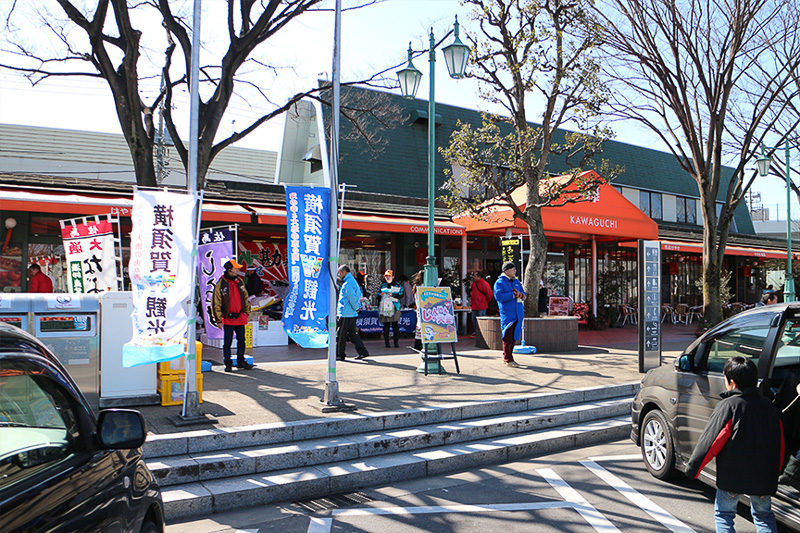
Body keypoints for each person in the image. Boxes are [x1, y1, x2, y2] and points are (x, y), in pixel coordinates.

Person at [685, 356, 784, 533]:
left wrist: (693, 468)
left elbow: (711, 441)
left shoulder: (729, 405)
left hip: (732, 477)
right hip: (763, 476)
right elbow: (780, 442)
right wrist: (776, 470)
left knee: (724, 514)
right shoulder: (769, 406)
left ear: (732, 383)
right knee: (764, 516)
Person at [212, 259, 254, 372]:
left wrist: (247, 312)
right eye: (236, 268)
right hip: (228, 318)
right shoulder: (221, 283)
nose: (238, 270)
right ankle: (228, 364)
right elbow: (216, 302)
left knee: (242, 341)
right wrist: (218, 320)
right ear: (229, 270)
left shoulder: (239, 281)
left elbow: (245, 297)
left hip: (240, 317)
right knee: (227, 342)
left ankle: (241, 361)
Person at [494, 262, 526, 368]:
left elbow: (523, 293)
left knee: (514, 337)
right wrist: (512, 294)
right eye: (512, 269)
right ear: (506, 270)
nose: (514, 271)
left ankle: (507, 356)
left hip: (518, 312)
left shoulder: (516, 281)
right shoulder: (499, 282)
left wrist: (521, 295)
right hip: (508, 313)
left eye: (515, 269)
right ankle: (508, 359)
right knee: (508, 336)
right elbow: (498, 296)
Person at [336, 265, 370, 361]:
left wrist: (356, 308)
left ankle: (340, 354)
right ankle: (363, 352)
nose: (339, 274)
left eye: (340, 272)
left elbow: (351, 297)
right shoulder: (350, 281)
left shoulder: (348, 283)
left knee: (340, 335)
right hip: (350, 312)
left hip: (346, 312)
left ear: (344, 272)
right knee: (352, 334)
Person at [379, 270, 404, 348]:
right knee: (386, 325)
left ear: (393, 277)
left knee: (395, 325)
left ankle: (396, 343)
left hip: (395, 306)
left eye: (389, 276)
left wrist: (393, 294)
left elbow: (401, 294)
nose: (387, 277)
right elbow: (377, 295)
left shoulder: (397, 285)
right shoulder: (383, 285)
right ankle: (387, 343)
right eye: (386, 276)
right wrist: (380, 295)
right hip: (385, 307)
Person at [470, 271, 493, 337]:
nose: (473, 277)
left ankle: (481, 333)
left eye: (474, 276)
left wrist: (486, 301)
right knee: (474, 320)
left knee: (481, 320)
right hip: (475, 305)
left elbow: (489, 294)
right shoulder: (474, 284)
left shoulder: (484, 284)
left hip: (481, 305)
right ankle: (475, 332)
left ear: (478, 276)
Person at [411, 270, 424, 351]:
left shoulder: (416, 287)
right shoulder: (422, 287)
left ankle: (418, 344)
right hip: (422, 308)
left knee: (419, 326)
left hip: (419, 309)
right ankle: (420, 344)